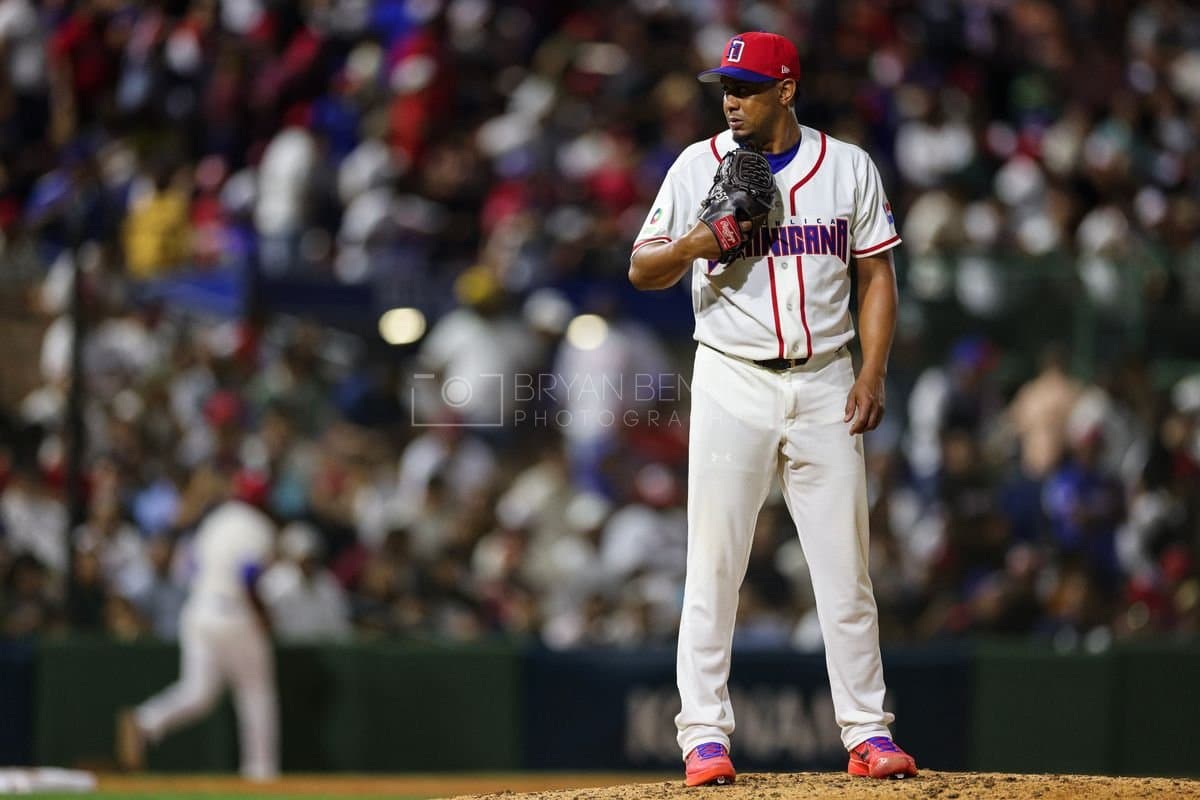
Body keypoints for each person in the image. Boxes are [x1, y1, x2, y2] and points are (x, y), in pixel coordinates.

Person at [628, 32, 917, 785]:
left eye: (748, 85)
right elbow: (641, 267)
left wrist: (874, 372)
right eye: (726, 84)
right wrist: (704, 237)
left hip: (827, 375)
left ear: (786, 90)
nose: (731, 97)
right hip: (732, 376)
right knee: (714, 563)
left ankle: (866, 732)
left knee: (845, 569)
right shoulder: (699, 165)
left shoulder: (847, 166)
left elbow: (877, 276)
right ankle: (703, 737)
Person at [116, 472, 279, 781]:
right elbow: (248, 574)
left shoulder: (214, 522)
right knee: (256, 694)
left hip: (198, 610)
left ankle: (147, 720)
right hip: (234, 612)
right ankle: (260, 772)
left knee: (198, 692)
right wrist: (262, 614)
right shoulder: (257, 525)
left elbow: (187, 568)